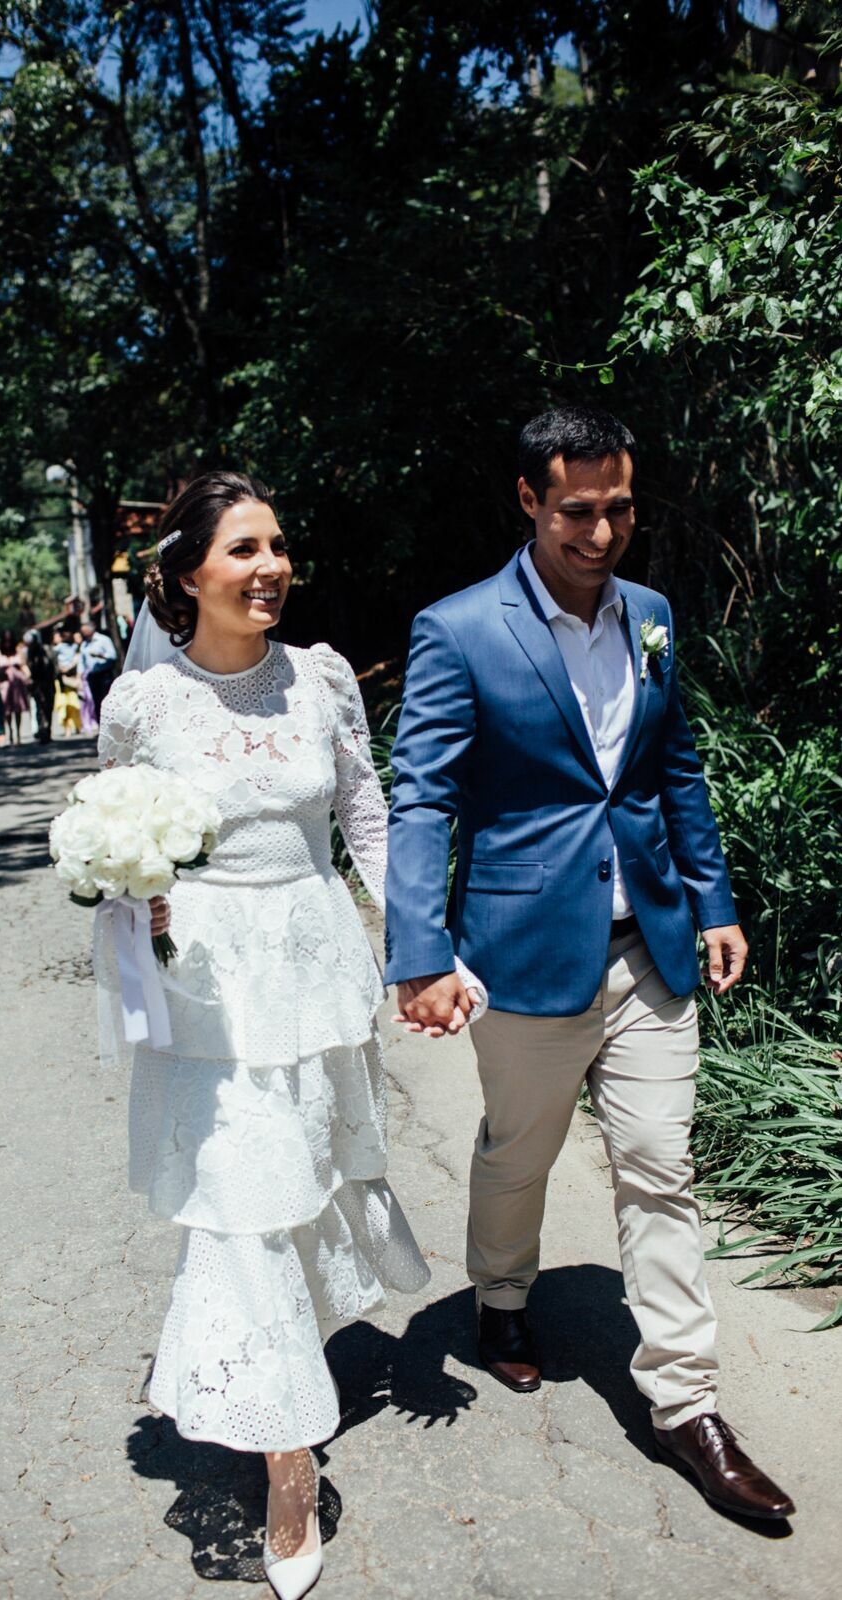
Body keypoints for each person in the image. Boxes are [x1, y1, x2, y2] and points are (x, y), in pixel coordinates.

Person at [384, 405, 795, 1524]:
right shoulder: (458, 628)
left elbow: (673, 762)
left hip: (650, 948)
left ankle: (684, 1407)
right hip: (520, 950)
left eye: (619, 508)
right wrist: (417, 952)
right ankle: (502, 1293)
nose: (602, 532)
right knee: (519, 1152)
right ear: (527, 500)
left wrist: (711, 901)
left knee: (659, 1168)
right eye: (577, 510)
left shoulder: (651, 617)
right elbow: (420, 794)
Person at [98, 471, 452, 1600]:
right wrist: (133, 900)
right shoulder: (139, 705)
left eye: (278, 547)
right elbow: (111, 846)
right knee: (243, 1210)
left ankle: (265, 1367)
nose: (268, 568)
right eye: (243, 549)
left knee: (296, 1190)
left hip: (310, 963)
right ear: (187, 574)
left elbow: (364, 815)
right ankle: (289, 1463)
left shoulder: (322, 677)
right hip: (207, 987)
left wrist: (417, 946)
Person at [0, 629, 31, 745]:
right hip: (5, 685)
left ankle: (18, 734)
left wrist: (28, 675)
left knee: (18, 709)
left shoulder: (18, 652)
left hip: (17, 685)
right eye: (6, 641)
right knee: (7, 710)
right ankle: (10, 732)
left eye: (10, 641)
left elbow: (24, 666)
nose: (8, 644)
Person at [78, 619, 118, 718]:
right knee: (97, 701)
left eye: (85, 630)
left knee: (107, 700)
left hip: (104, 675)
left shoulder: (103, 640)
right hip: (92, 676)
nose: (84, 632)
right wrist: (79, 677)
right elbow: (81, 663)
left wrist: (101, 656)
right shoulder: (84, 645)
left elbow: (113, 656)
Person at [24, 630, 56, 743]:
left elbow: (52, 666)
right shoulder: (29, 653)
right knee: (39, 708)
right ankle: (42, 730)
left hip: (48, 683)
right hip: (37, 684)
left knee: (48, 707)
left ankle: (48, 730)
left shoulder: (47, 650)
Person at [52, 629, 82, 737]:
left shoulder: (68, 647)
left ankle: (75, 726)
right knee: (67, 704)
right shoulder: (64, 648)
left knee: (70, 704)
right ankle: (70, 727)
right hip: (64, 679)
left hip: (69, 678)